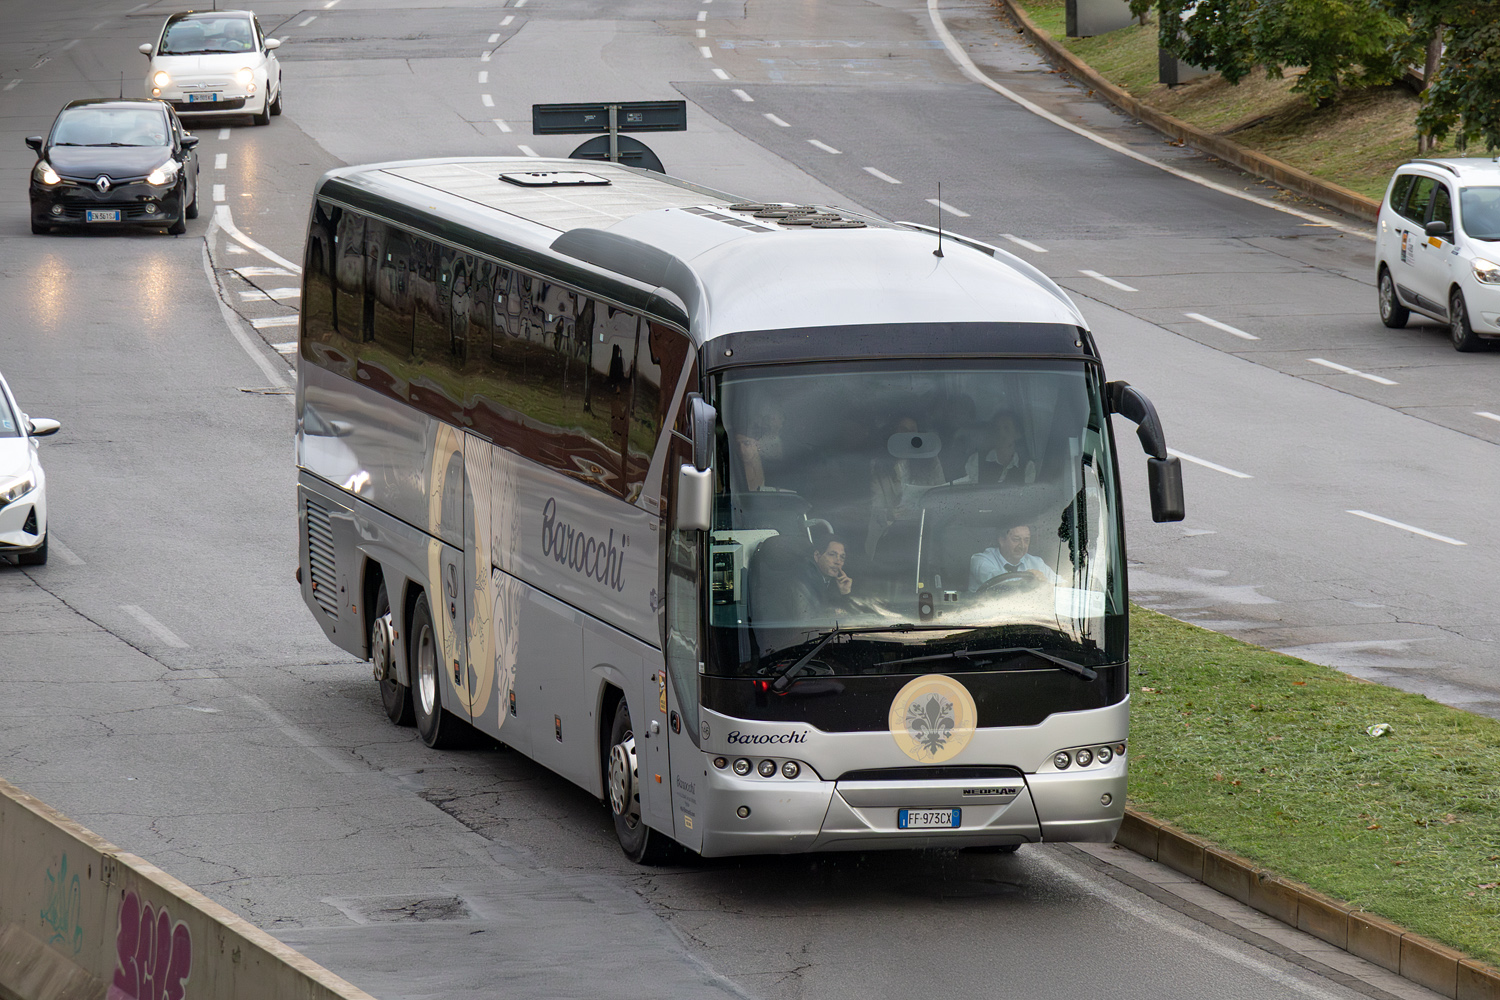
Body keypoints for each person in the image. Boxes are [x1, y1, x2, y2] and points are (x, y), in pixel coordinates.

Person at [866, 414, 946, 559]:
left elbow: (943, 497)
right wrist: (890, 513)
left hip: (926, 533)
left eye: (912, 431)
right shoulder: (878, 465)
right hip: (892, 538)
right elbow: (874, 508)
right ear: (893, 434)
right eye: (903, 431)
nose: (908, 436)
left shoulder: (931, 460)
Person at [969, 523, 1058, 592]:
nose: (1022, 546)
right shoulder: (980, 561)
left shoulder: (1036, 562)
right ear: (1002, 540)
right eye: (1016, 540)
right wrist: (1029, 577)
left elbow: (1061, 584)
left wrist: (1049, 583)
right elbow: (999, 583)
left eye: (1026, 540)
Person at [959, 411, 1035, 486]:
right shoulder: (976, 460)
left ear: (1017, 434)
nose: (1001, 432)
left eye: (1006, 428)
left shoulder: (1028, 467)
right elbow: (969, 493)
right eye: (997, 429)